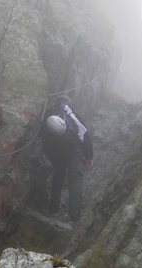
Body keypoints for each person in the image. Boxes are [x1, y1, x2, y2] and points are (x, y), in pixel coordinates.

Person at [42, 94, 94, 222]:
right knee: (75, 180)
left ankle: (53, 209)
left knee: (58, 177)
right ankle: (75, 217)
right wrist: (89, 156)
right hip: (74, 151)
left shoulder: (48, 114)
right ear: (68, 103)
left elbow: (41, 135)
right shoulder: (73, 115)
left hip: (55, 152)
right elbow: (85, 134)